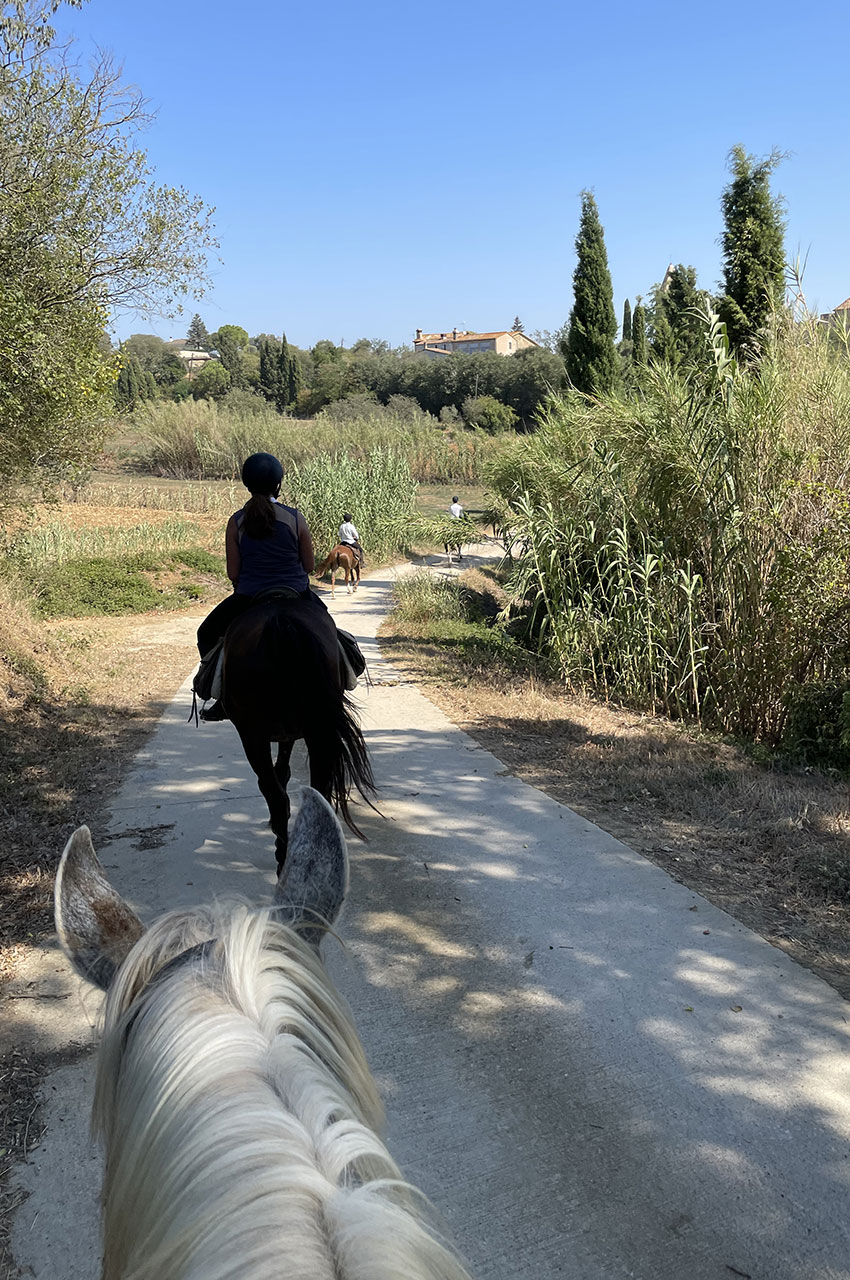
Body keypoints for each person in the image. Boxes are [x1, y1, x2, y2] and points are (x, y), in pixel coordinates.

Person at [196, 452, 324, 721]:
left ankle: (221, 696)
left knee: (206, 633)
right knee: (330, 632)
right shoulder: (295, 518)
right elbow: (310, 566)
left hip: (249, 597)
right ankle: (338, 686)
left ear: (247, 484)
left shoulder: (236, 521)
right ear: (278, 484)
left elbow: (233, 572)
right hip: (296, 594)